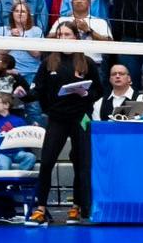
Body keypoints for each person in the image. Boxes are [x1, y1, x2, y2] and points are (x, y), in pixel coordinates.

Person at [28, 26, 96, 225]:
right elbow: (38, 90)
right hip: (57, 118)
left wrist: (86, 94)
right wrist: (24, 95)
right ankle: (40, 207)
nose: (63, 37)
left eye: (67, 34)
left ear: (76, 37)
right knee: (47, 161)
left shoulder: (87, 63)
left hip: (80, 117)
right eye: (60, 34)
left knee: (81, 162)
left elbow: (99, 90)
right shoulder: (49, 62)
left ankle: (77, 206)